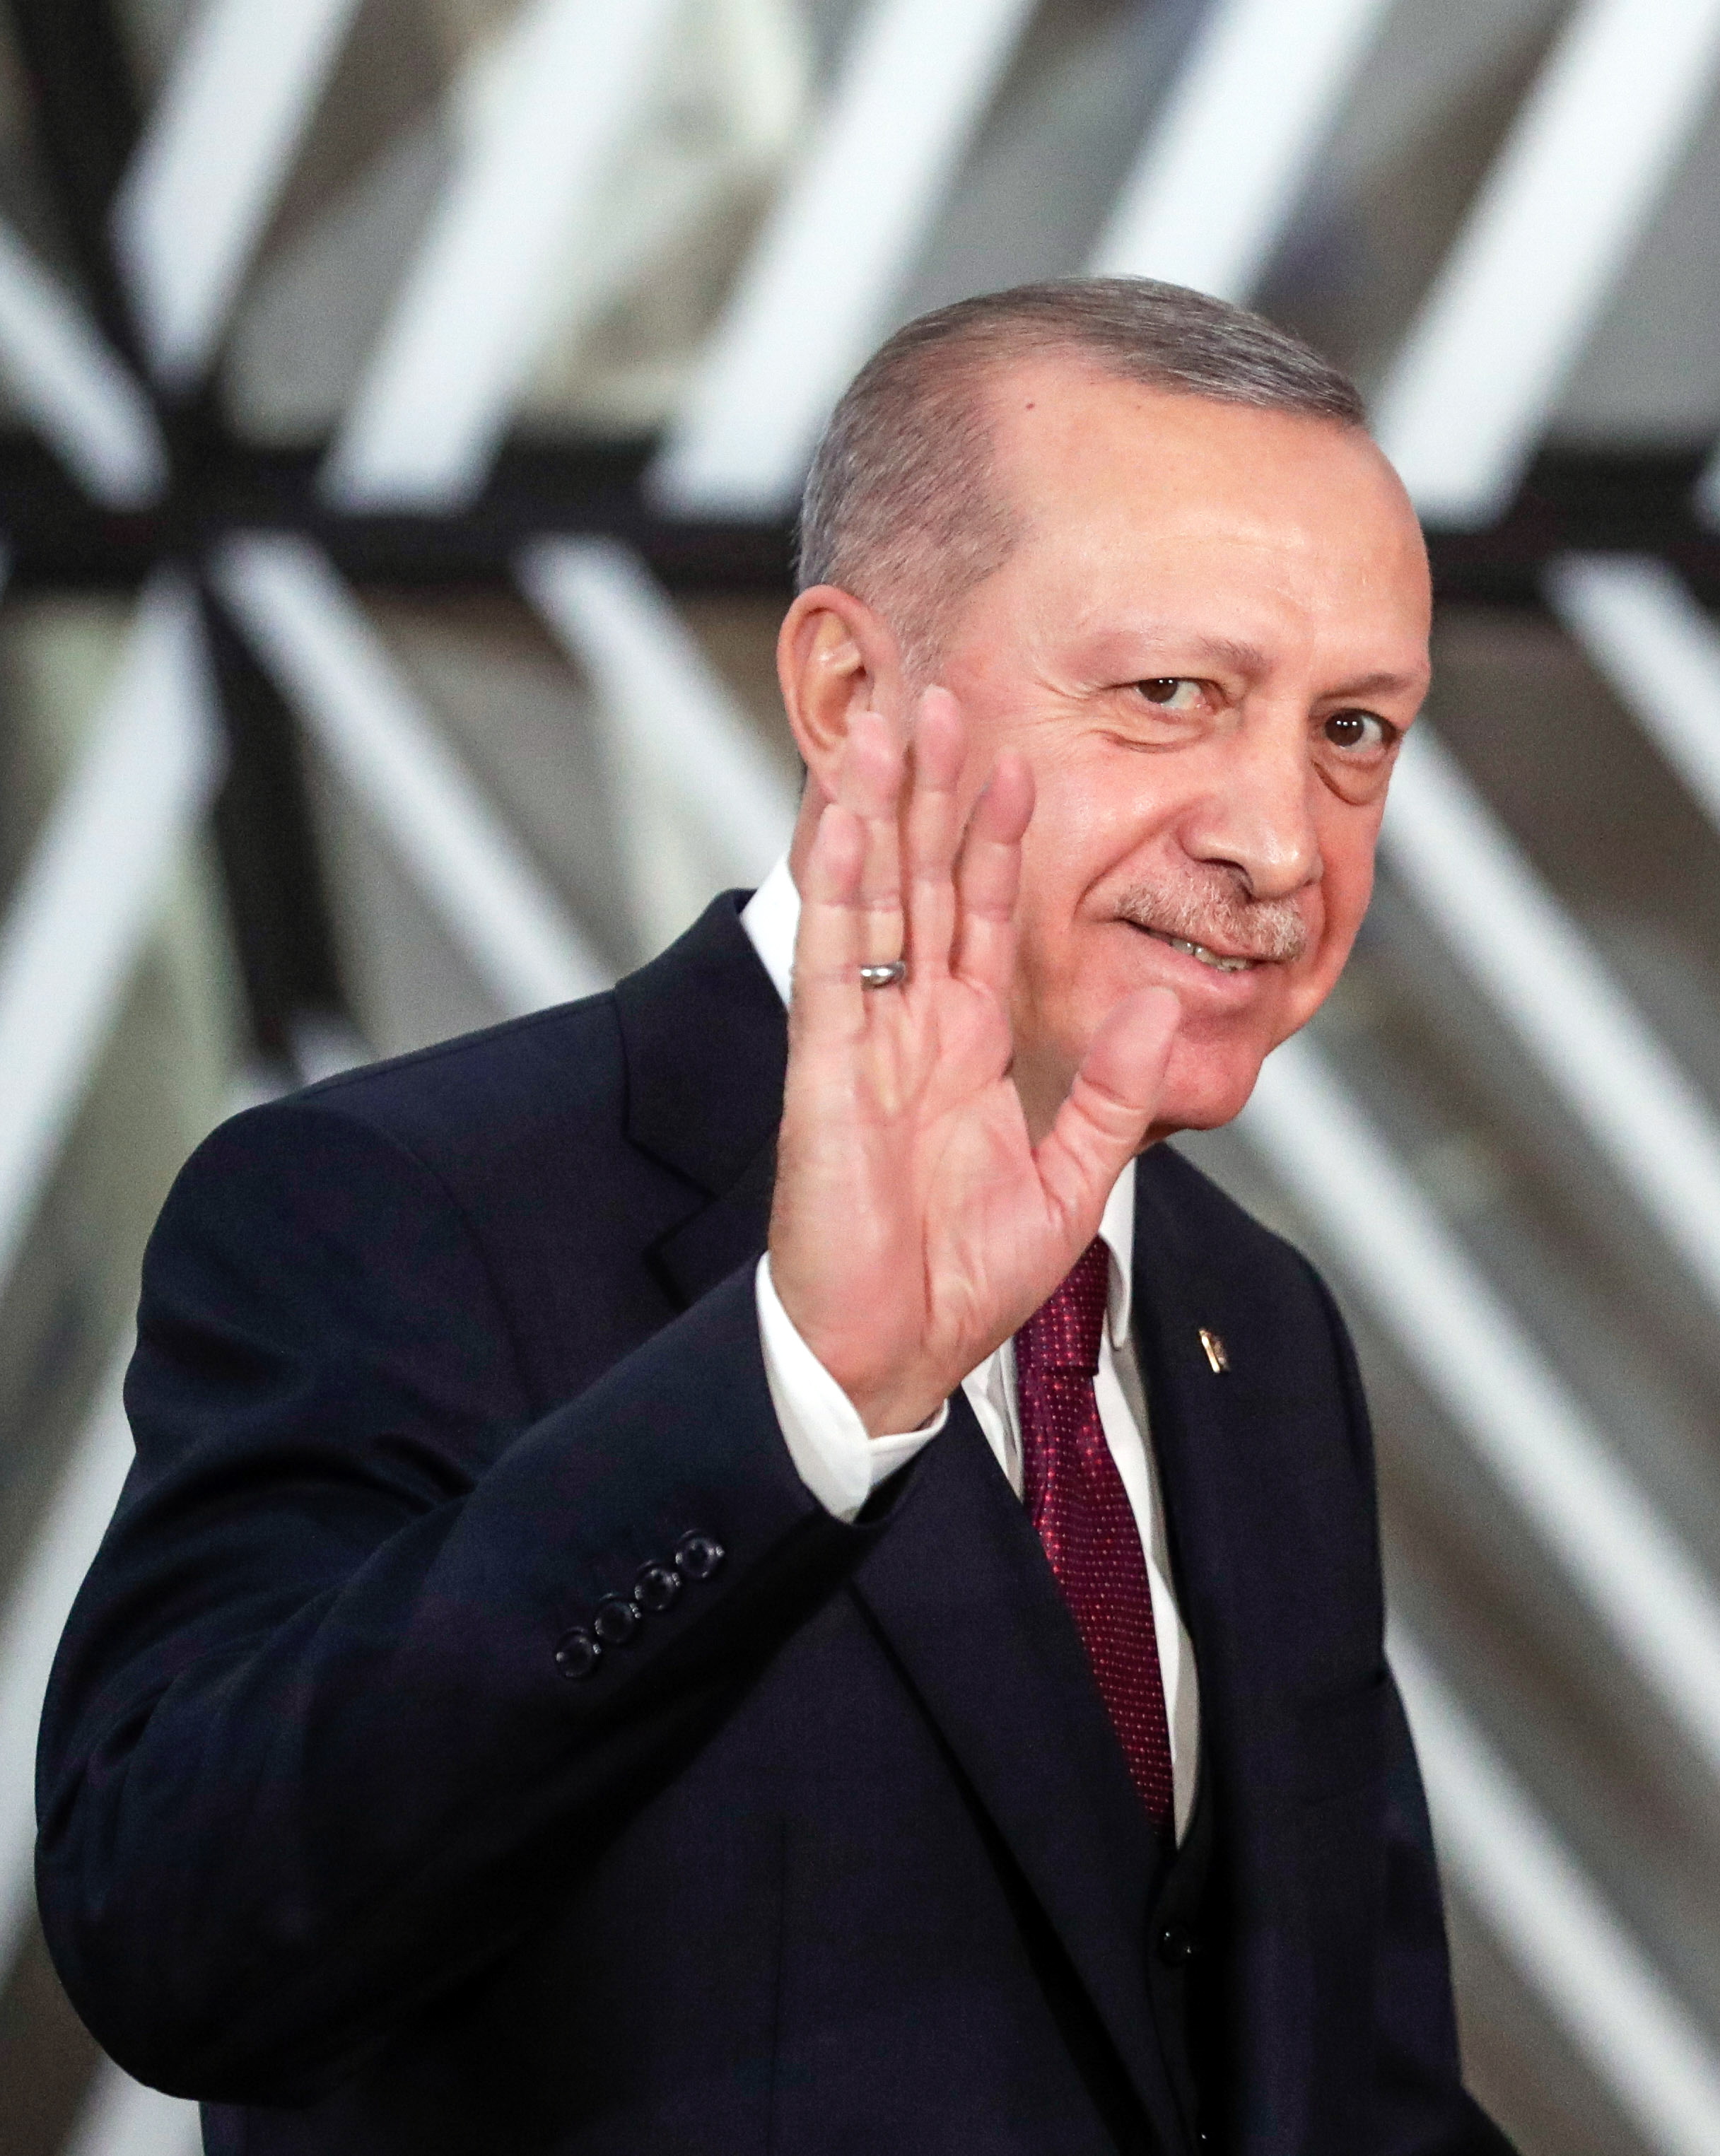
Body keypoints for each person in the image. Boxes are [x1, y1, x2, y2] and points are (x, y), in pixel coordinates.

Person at [37, 279, 1512, 2156]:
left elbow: (1342, 2094)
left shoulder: (1254, 1319)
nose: (1285, 840)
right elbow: (178, 1934)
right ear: (849, 693)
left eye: (1357, 730)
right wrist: (799, 1391)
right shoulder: (399, 1207)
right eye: (1174, 695)